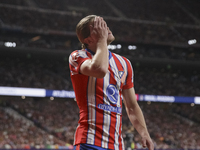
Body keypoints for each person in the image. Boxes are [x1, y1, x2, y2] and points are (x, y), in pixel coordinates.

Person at [69, 15, 154, 150]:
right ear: (88, 39)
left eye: (105, 25)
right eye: (99, 27)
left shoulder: (124, 63)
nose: (106, 28)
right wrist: (102, 39)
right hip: (89, 141)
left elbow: (132, 106)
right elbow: (99, 70)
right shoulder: (78, 56)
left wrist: (144, 132)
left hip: (116, 145)